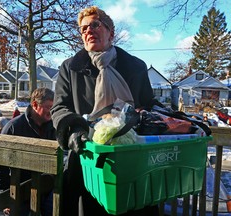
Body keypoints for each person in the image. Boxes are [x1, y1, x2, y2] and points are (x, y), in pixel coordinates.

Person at [51, 6, 160, 216]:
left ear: (111, 32)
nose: (88, 31)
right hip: (88, 159)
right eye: (83, 29)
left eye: (95, 24)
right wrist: (74, 131)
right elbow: (59, 107)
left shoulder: (136, 67)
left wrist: (151, 114)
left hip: (132, 157)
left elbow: (148, 102)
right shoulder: (70, 68)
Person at [0, 87, 56, 216]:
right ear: (35, 104)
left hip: (47, 189)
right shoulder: (14, 127)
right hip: (19, 191)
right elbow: (0, 166)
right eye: (49, 107)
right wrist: (4, 196)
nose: (52, 112)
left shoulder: (53, 127)